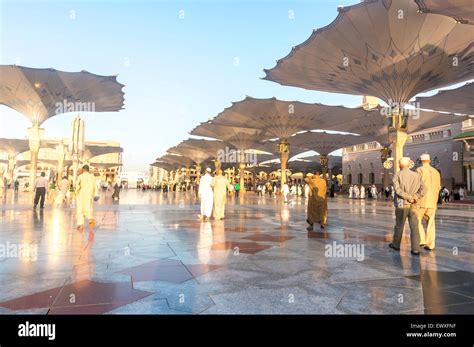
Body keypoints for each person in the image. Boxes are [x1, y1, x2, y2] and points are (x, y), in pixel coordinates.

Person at [389, 157, 426, 255]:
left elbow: (398, 190)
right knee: (414, 226)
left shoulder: (397, 175)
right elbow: (423, 189)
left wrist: (408, 197)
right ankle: (415, 249)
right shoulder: (416, 175)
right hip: (414, 203)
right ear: (409, 164)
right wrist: (415, 197)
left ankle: (396, 245)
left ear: (399, 165)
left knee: (399, 225)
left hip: (402, 203)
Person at [416, 154, 441, 251]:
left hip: (421, 201)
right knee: (431, 222)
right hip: (432, 202)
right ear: (429, 160)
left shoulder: (419, 170)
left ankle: (422, 240)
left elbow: (416, 186)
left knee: (417, 220)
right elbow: (439, 187)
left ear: (421, 161)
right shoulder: (436, 172)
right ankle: (430, 244)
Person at [75, 165, 98, 234]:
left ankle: (81, 225)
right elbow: (95, 187)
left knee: (80, 209)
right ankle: (90, 218)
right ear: (88, 170)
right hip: (89, 195)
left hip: (81, 195)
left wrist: (76, 191)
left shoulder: (80, 177)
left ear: (83, 170)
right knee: (88, 207)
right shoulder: (93, 177)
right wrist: (96, 194)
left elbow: (77, 186)